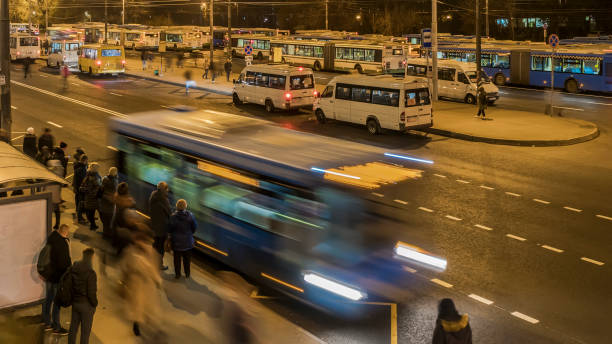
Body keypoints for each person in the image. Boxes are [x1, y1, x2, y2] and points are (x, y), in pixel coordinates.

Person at [120, 232, 162, 337]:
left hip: (147, 283)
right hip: (136, 283)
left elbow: (153, 268)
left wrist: (157, 280)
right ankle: (136, 325)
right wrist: (123, 282)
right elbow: (125, 267)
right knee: (137, 306)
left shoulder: (150, 252)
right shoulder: (130, 251)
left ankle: (146, 321)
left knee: (147, 305)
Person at [41, 224, 71, 335]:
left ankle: (46, 322)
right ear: (66, 233)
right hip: (57, 277)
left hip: (48, 275)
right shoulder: (62, 244)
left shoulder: (51, 237)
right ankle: (56, 326)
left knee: (47, 298)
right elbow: (64, 263)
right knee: (57, 301)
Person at [68, 248, 98, 344]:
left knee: (73, 328)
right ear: (92, 257)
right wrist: (95, 304)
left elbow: (70, 284)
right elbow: (91, 293)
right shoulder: (91, 273)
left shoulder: (75, 267)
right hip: (86, 306)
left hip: (76, 303)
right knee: (85, 333)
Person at [168, 199, 197, 279]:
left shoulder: (173, 217)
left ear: (177, 206)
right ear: (185, 206)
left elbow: (169, 229)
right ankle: (187, 274)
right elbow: (194, 227)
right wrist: (190, 233)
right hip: (188, 242)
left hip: (176, 242)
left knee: (176, 259)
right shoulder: (191, 216)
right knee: (187, 259)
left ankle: (178, 274)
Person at [149, 182, 171, 270]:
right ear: (164, 189)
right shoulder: (163, 199)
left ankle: (152, 261)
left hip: (154, 225)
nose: (168, 190)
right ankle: (159, 264)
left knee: (155, 245)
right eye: (167, 189)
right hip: (162, 227)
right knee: (161, 247)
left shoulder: (153, 195)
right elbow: (169, 212)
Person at [113, 182, 137, 253]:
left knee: (119, 236)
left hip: (117, 219)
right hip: (124, 221)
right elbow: (133, 205)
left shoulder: (116, 196)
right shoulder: (128, 200)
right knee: (123, 240)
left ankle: (117, 247)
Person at [81, 165, 101, 231]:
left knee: (90, 212)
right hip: (93, 199)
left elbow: (82, 186)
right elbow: (98, 187)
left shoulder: (87, 176)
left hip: (88, 198)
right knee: (93, 213)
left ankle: (93, 225)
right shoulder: (95, 177)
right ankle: (93, 225)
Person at [100, 167, 118, 239]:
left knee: (105, 222)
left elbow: (101, 190)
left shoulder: (104, 179)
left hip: (103, 204)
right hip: (110, 206)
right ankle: (108, 235)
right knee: (109, 221)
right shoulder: (114, 182)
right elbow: (114, 193)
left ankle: (104, 234)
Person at [73, 155, 89, 224]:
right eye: (86, 161)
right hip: (80, 188)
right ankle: (80, 218)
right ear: (84, 160)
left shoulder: (79, 166)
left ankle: (80, 216)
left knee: (79, 202)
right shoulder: (81, 169)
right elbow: (82, 179)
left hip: (78, 188)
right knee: (80, 203)